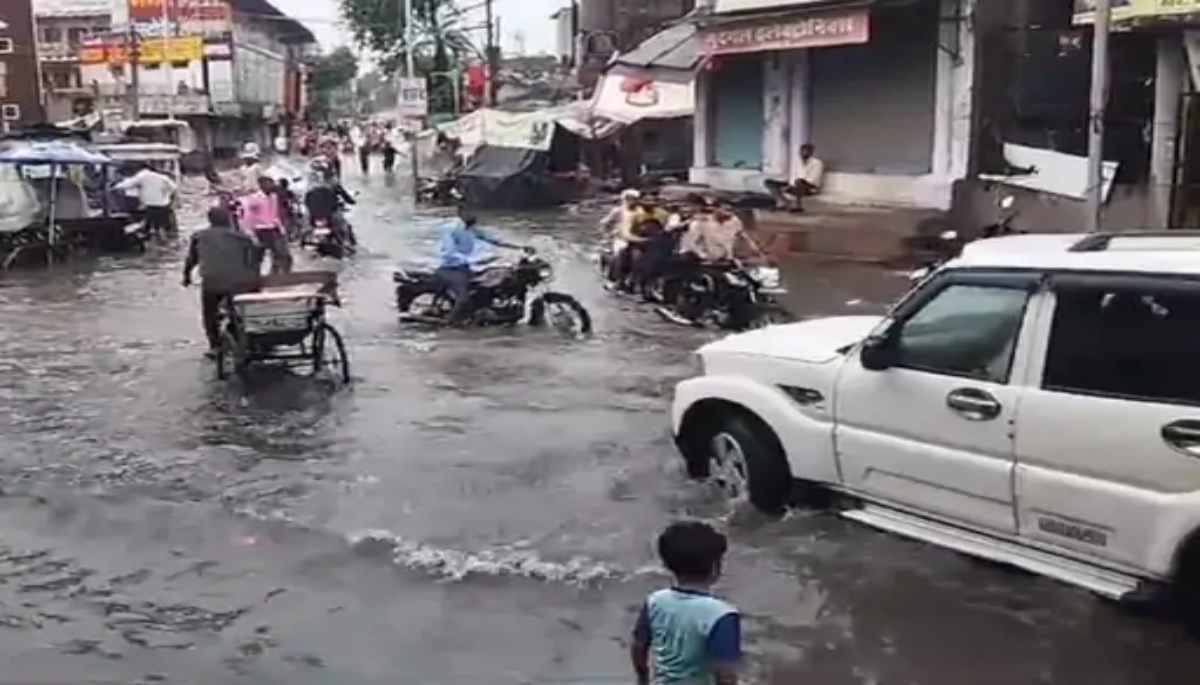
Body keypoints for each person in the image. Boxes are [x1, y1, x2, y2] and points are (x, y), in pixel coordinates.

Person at [631, 521, 740, 685]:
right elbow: (726, 675)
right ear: (715, 567)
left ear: (666, 564)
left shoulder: (655, 600)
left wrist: (643, 678)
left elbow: (639, 646)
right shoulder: (721, 614)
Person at [182, 206, 260, 357]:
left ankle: (215, 345)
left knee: (210, 312)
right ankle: (252, 339)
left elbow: (192, 259)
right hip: (242, 284)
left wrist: (186, 277)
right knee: (246, 310)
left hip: (213, 283)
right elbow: (254, 260)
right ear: (229, 219)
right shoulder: (243, 237)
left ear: (210, 220)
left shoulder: (199, 236)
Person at [438, 209, 529, 325]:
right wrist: (476, 260)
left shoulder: (472, 229)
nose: (474, 216)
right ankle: (450, 325)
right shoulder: (450, 229)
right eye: (469, 213)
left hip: (466, 268)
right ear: (461, 214)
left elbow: (494, 240)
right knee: (463, 300)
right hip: (450, 269)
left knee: (489, 286)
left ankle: (486, 313)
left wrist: (520, 247)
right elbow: (448, 253)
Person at [241, 176, 293, 274]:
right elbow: (248, 216)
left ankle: (278, 275)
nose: (271, 186)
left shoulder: (274, 197)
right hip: (260, 230)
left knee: (281, 254)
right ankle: (254, 276)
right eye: (268, 183)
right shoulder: (254, 199)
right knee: (257, 256)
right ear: (261, 185)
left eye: (272, 183)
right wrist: (250, 231)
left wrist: (280, 227)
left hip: (273, 228)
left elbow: (275, 213)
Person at [111, 162, 176, 237]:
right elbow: (173, 188)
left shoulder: (142, 175)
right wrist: (166, 196)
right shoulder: (163, 177)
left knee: (146, 225)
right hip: (163, 205)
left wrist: (114, 187)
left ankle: (147, 236)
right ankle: (161, 236)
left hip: (149, 205)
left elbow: (128, 184)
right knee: (161, 225)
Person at [304, 160, 357, 246]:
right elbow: (344, 195)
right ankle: (346, 242)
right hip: (329, 212)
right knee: (344, 225)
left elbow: (306, 201)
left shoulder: (310, 185)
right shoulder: (333, 182)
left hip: (315, 214)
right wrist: (351, 201)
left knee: (306, 225)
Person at [765, 143, 824, 212]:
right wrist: (790, 185)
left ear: (811, 152)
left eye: (807, 151)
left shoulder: (817, 163)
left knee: (799, 181)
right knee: (769, 182)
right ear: (800, 152)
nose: (804, 153)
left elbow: (814, 179)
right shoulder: (797, 162)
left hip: (810, 187)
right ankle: (782, 202)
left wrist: (795, 184)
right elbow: (793, 175)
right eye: (802, 151)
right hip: (794, 185)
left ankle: (798, 206)